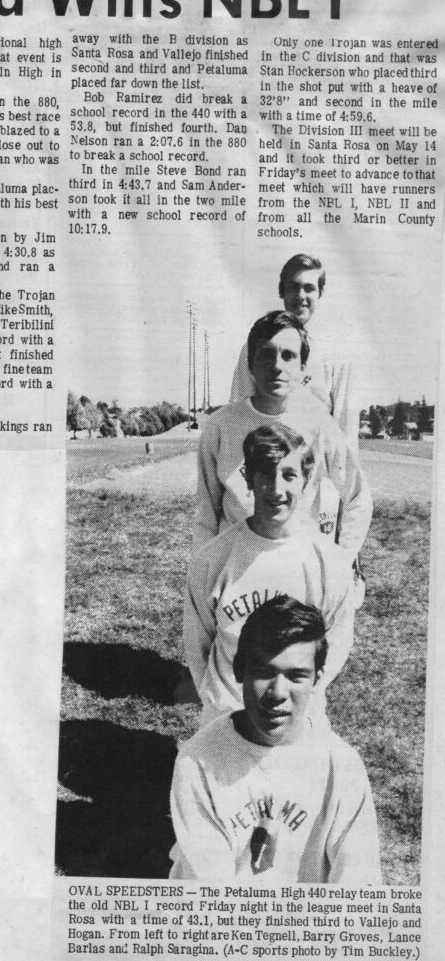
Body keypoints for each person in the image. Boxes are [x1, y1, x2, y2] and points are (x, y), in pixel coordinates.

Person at [169, 597, 381, 882]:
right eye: (264, 672)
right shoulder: (197, 761)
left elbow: (358, 884)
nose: (278, 693)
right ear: (239, 670)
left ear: (317, 679)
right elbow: (209, 891)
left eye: (296, 676)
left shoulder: (342, 765)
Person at [185, 423, 355, 725]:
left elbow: (334, 648)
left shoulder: (329, 563)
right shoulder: (212, 560)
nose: (276, 489)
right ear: (249, 479)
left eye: (289, 475)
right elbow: (198, 649)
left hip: (298, 719)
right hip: (228, 717)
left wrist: (294, 703)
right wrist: (224, 708)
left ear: (305, 480)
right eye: (265, 474)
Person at [192, 311, 371, 556]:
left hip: (297, 562)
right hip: (236, 562)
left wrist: (342, 559)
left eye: (288, 356)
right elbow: (205, 513)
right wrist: (204, 567)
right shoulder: (220, 425)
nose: (276, 366)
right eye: (266, 354)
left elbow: (358, 496)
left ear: (303, 367)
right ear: (250, 364)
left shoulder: (321, 425)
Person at [230, 253, 356, 444]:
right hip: (268, 458)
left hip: (317, 459)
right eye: (293, 287)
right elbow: (240, 413)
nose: (300, 296)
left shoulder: (338, 354)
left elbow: (346, 429)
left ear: (320, 293)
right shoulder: (254, 347)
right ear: (282, 291)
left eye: (309, 288)